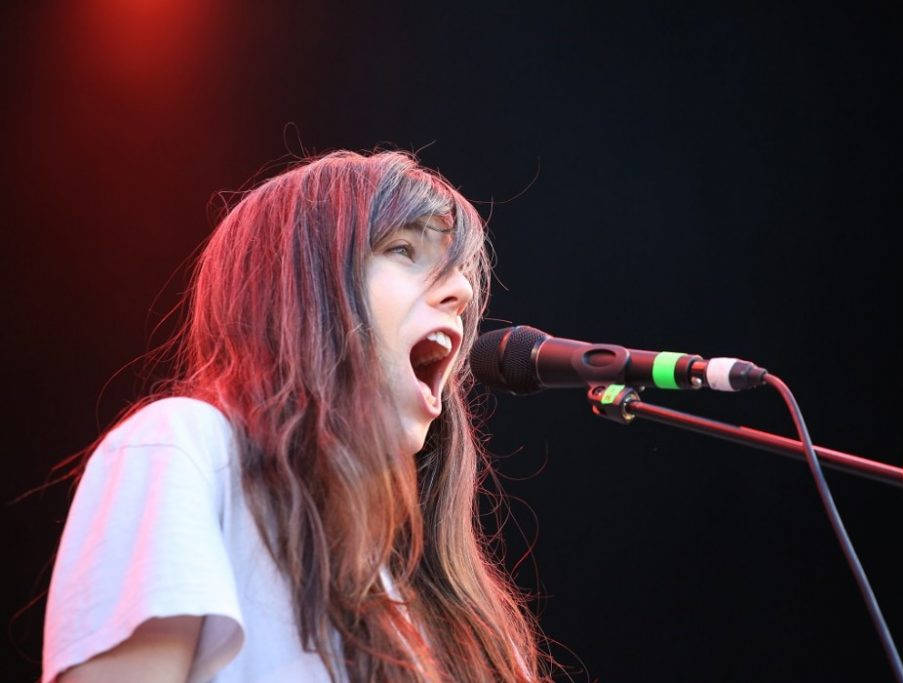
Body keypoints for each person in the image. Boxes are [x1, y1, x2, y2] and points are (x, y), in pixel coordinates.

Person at [42, 150, 547, 682]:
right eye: (403, 250)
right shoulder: (185, 450)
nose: (462, 291)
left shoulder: (441, 607)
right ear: (302, 288)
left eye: (460, 271)